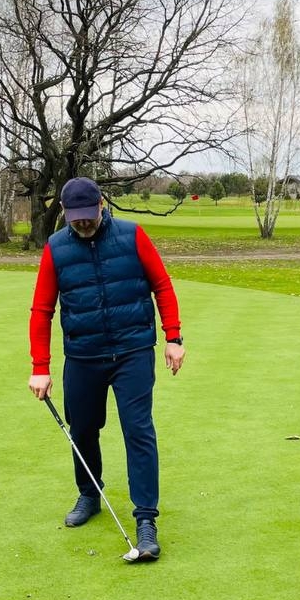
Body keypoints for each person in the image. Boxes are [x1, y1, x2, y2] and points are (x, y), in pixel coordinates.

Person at [27, 177, 185, 562]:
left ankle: (146, 518)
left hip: (132, 350)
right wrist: (40, 366)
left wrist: (174, 337)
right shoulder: (56, 248)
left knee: (138, 430)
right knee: (82, 427)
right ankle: (89, 493)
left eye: (89, 215)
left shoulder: (132, 236)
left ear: (102, 205)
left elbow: (161, 285)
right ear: (65, 213)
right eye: (75, 218)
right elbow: (42, 309)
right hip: (83, 355)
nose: (83, 224)